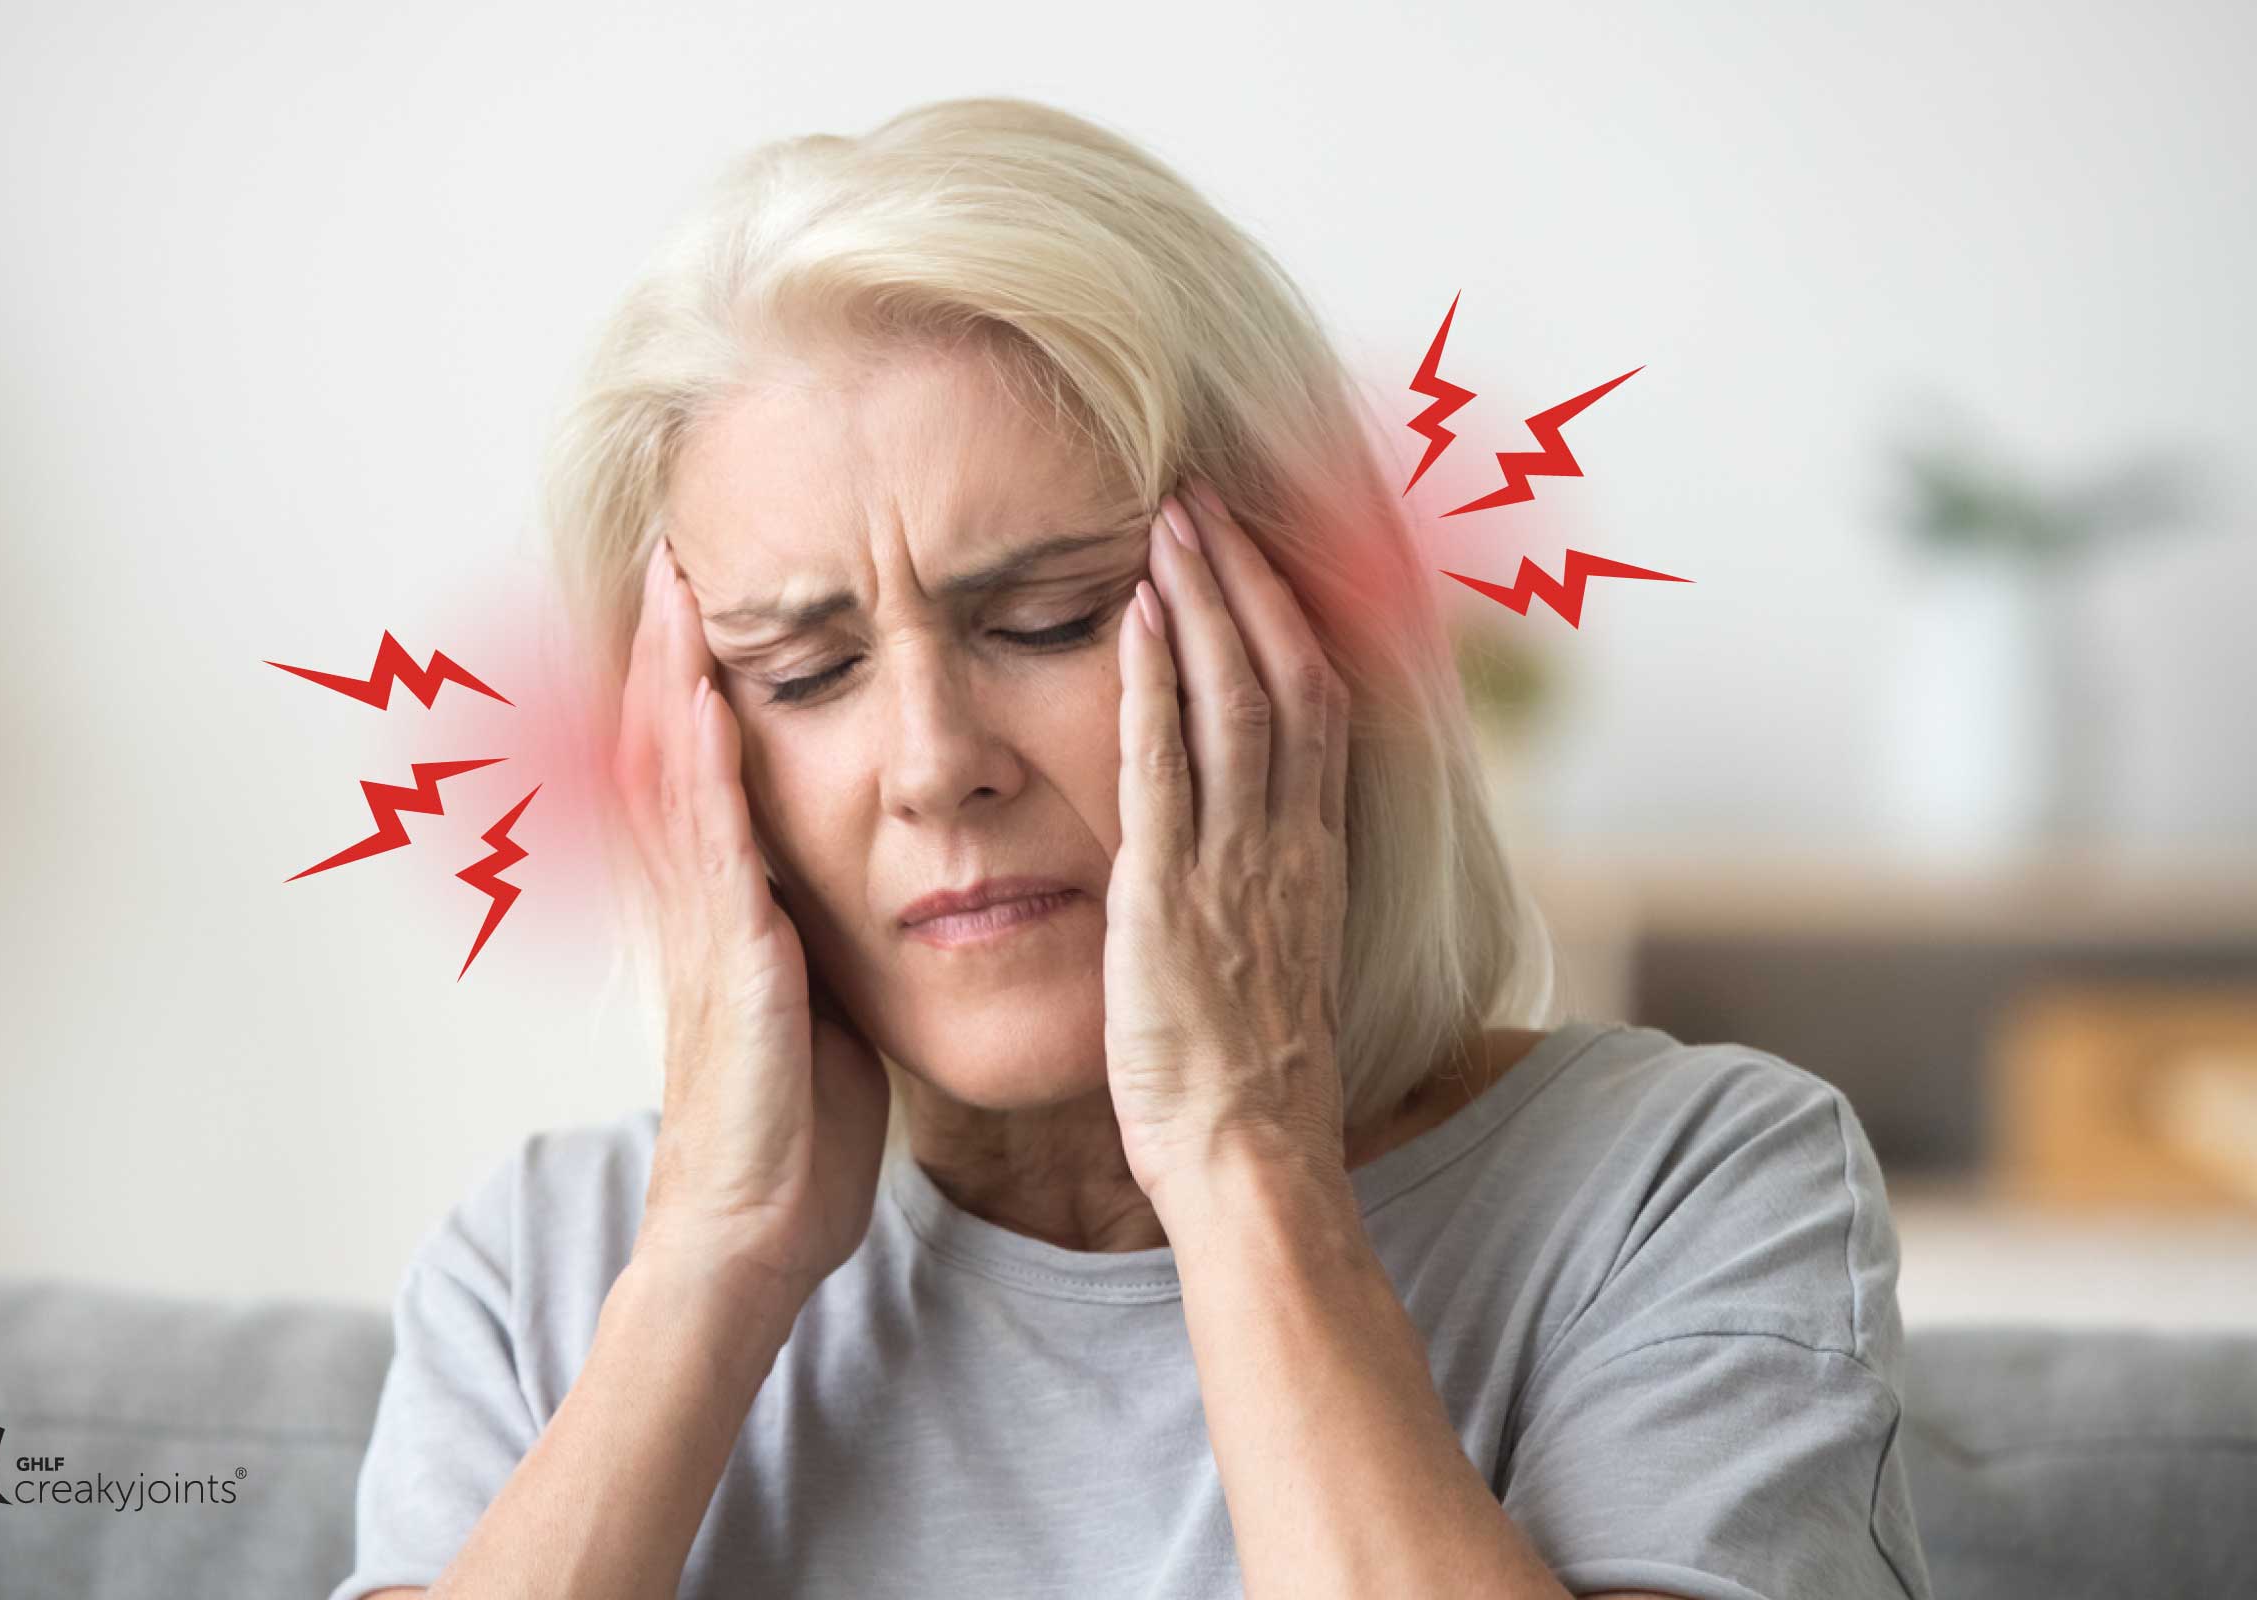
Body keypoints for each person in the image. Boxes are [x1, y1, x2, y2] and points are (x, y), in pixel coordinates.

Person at [328, 96, 1931, 1600]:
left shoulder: (1688, 1186)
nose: (935, 764)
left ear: (1306, 640)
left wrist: (1244, 1153)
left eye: (1049, 619)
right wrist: (707, 1267)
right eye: (803, 673)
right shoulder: (546, 1271)